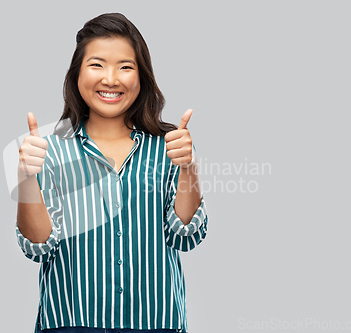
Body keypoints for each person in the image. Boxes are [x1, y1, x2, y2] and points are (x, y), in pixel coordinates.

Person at [15, 13, 207, 333]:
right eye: (97, 64)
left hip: (155, 323)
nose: (111, 79)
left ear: (141, 77)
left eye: (125, 67)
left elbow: (185, 236)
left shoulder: (170, 148)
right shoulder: (48, 151)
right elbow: (37, 246)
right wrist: (26, 178)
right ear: (77, 74)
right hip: (72, 324)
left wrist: (188, 167)